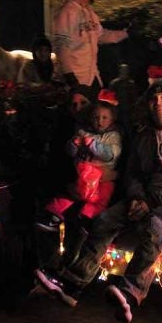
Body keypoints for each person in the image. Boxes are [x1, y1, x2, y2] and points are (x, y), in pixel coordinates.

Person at [35, 79, 162, 322]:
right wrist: (137, 197)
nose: (158, 103)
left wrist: (149, 201)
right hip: (143, 195)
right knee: (105, 220)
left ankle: (131, 290)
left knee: (154, 225)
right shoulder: (144, 135)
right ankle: (73, 283)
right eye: (153, 99)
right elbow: (133, 172)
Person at [37, 93, 122, 232]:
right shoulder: (82, 132)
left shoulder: (113, 136)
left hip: (102, 177)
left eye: (104, 118)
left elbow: (110, 154)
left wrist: (92, 145)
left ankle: (85, 219)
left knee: (101, 199)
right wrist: (74, 144)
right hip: (83, 173)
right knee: (71, 195)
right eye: (96, 117)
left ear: (112, 120)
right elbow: (68, 153)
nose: (99, 121)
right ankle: (52, 215)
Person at [52, 0, 128, 92]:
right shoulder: (67, 12)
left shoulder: (90, 14)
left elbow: (102, 35)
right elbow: (61, 46)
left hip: (92, 79)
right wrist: (70, 78)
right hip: (75, 82)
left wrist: (126, 33)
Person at [108, 63, 139, 128]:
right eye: (122, 70)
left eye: (125, 70)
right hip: (117, 109)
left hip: (128, 110)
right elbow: (110, 97)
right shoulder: (114, 83)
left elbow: (134, 97)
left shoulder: (131, 83)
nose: (124, 71)